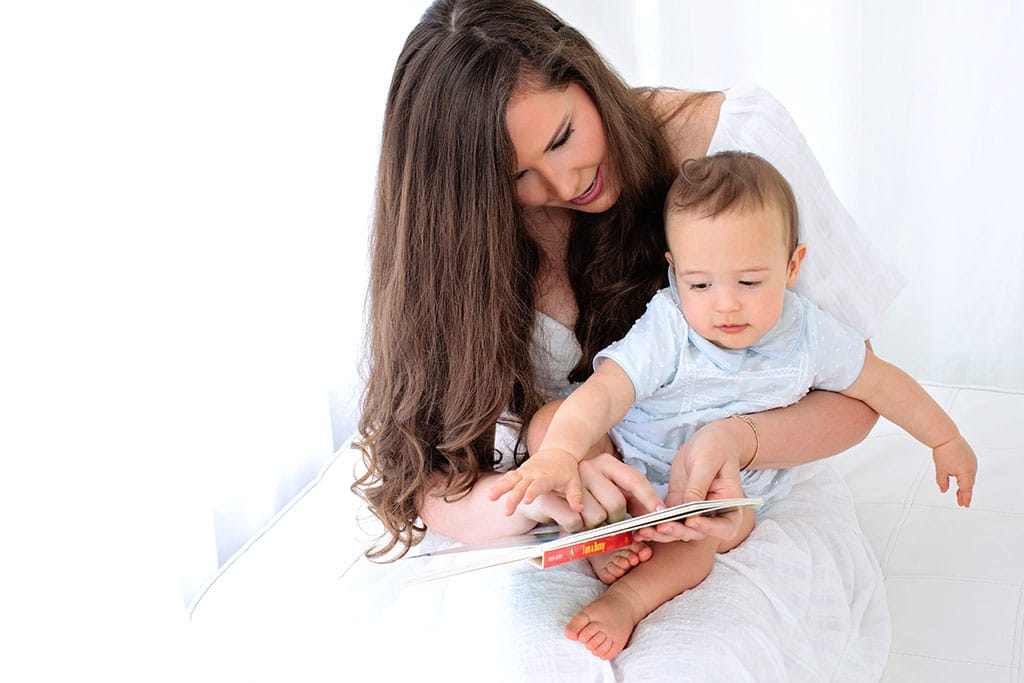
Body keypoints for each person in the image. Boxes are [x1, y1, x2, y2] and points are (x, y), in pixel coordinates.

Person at [353, 0, 902, 678]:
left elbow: (859, 391)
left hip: (731, 511)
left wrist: (737, 442)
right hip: (563, 532)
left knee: (699, 663)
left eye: (561, 138)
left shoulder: (733, 146)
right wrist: (543, 492)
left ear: (581, 71)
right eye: (516, 176)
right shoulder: (459, 240)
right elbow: (424, 481)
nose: (563, 184)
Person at [490, 150, 978, 660]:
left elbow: (880, 384)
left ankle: (629, 599)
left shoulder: (810, 336)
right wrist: (563, 451)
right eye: (701, 283)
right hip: (626, 462)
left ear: (791, 266)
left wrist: (945, 439)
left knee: (712, 530)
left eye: (749, 282)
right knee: (551, 421)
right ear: (675, 271)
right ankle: (606, 534)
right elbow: (608, 390)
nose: (726, 304)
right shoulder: (671, 323)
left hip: (717, 491)